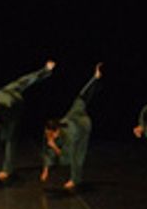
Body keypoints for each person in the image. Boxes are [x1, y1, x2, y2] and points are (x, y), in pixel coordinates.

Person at [0, 60, 56, 181]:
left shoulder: (7, 105)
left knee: (9, 138)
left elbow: (27, 80)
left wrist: (46, 70)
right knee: (3, 134)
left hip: (15, 107)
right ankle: (46, 70)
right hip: (6, 94)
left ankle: (7, 170)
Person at [41, 63, 103, 191]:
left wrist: (55, 146)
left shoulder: (71, 134)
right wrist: (46, 171)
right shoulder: (50, 131)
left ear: (57, 131)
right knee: (79, 100)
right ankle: (96, 78)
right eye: (48, 133)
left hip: (83, 127)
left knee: (77, 156)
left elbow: (66, 157)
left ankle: (75, 179)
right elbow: (48, 152)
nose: (49, 136)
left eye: (51, 134)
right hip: (73, 115)